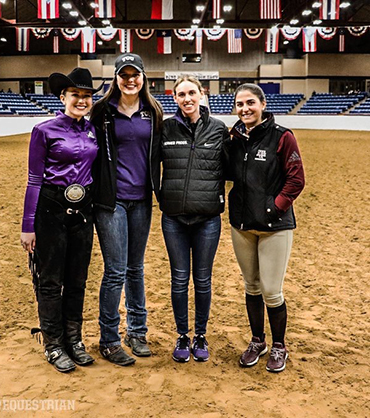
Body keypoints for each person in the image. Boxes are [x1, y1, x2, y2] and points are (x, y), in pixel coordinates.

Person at [20, 68, 103, 373]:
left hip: (83, 210)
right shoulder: (44, 131)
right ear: (62, 97)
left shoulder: (92, 130)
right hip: (50, 210)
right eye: (75, 95)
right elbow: (33, 180)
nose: (81, 101)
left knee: (78, 280)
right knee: (51, 280)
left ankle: (74, 339)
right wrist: (28, 225)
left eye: (86, 96)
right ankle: (54, 344)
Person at [224, 83, 305, 373]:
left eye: (250, 103)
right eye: (240, 104)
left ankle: (279, 345)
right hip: (242, 226)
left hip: (274, 227)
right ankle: (257, 341)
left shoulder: (282, 137)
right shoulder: (234, 139)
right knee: (251, 286)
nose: (245, 109)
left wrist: (275, 207)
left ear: (262, 104)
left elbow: (296, 181)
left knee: (272, 290)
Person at [90, 53, 163, 366]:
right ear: (116, 78)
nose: (130, 80)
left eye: (135, 74)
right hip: (111, 201)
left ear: (143, 77)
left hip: (142, 200)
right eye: (124, 74)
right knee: (115, 270)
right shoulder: (102, 111)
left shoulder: (153, 112)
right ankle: (109, 338)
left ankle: (137, 331)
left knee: (136, 268)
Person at [160, 75, 229, 363]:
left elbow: (232, 167)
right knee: (178, 280)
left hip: (207, 219)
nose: (186, 99)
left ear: (201, 94)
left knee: (202, 280)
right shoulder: (165, 129)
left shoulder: (219, 129)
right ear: (174, 98)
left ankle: (200, 334)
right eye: (180, 94)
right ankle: (182, 335)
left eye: (191, 93)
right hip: (174, 219)